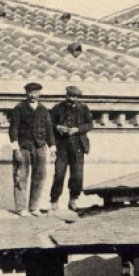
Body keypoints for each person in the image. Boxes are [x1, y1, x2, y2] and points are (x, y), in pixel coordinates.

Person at [7, 81, 53, 215]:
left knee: (39, 176)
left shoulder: (43, 110)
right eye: (30, 92)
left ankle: (34, 207)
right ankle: (21, 207)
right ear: (26, 93)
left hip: (40, 146)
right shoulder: (19, 108)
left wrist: (53, 146)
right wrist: (15, 148)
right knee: (20, 176)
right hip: (23, 146)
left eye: (35, 92)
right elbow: (13, 128)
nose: (32, 95)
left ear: (40, 93)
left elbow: (49, 129)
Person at [50, 84, 93, 212]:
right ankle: (54, 200)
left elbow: (90, 125)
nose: (72, 99)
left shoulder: (84, 109)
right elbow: (49, 123)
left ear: (78, 98)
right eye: (70, 96)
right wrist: (58, 127)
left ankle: (73, 198)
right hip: (62, 145)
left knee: (77, 175)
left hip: (78, 145)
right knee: (59, 174)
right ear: (66, 95)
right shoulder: (57, 108)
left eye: (75, 97)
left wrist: (77, 130)